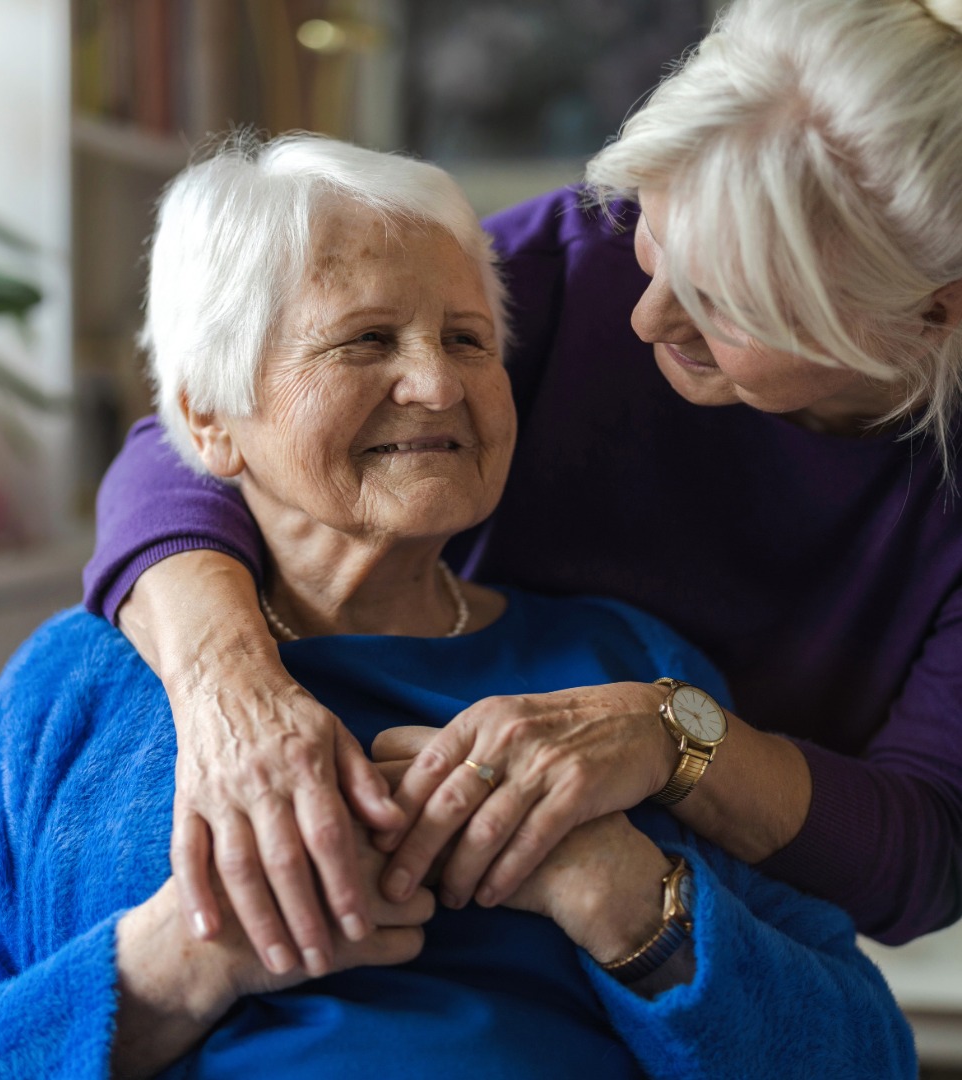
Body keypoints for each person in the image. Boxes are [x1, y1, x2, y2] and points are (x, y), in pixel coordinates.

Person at [0, 133, 915, 1079]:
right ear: (209, 415)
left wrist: (621, 892)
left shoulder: (631, 669)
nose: (436, 383)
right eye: (366, 340)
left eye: (468, 340)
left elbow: (863, 1053)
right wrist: (184, 962)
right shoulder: (79, 684)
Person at [83, 0, 962, 962]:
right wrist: (233, 696)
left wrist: (675, 738)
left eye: (726, 302)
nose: (646, 318)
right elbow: (196, 431)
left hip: (698, 914)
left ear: (932, 316)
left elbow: (929, 850)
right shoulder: (573, 261)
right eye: (659, 236)